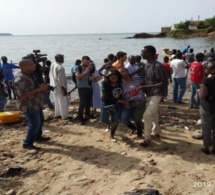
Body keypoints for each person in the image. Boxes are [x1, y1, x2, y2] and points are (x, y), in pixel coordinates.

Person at [13, 59, 50, 150]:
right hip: (29, 105)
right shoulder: (20, 79)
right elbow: (22, 95)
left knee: (40, 121)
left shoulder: (30, 75)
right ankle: (27, 143)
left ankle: (38, 137)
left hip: (36, 103)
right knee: (34, 124)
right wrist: (39, 90)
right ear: (24, 66)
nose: (34, 66)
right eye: (31, 64)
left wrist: (42, 87)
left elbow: (33, 87)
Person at [139, 45, 168, 147]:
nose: (141, 54)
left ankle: (147, 138)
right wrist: (141, 85)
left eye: (143, 52)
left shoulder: (158, 66)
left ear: (150, 54)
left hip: (158, 92)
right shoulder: (147, 64)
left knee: (147, 114)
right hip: (149, 92)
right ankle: (156, 131)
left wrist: (147, 85)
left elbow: (164, 83)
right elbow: (148, 79)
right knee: (154, 112)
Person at [100, 70, 129, 141]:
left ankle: (112, 135)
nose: (114, 80)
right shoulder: (105, 83)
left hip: (117, 104)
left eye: (116, 78)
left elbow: (121, 93)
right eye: (112, 78)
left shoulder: (120, 84)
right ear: (108, 77)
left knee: (115, 120)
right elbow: (108, 96)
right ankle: (108, 124)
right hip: (106, 103)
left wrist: (124, 100)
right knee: (103, 120)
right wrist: (123, 101)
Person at [119, 68, 146, 139]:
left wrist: (141, 88)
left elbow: (147, 82)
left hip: (139, 102)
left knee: (137, 119)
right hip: (128, 103)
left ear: (127, 71)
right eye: (120, 73)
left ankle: (139, 134)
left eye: (123, 71)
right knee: (123, 119)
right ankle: (133, 128)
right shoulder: (120, 84)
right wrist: (125, 102)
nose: (122, 73)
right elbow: (120, 95)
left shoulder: (137, 79)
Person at [199, 60, 215, 155]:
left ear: (213, 70)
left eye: (207, 68)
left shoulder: (207, 80)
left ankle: (206, 148)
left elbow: (202, 96)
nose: (205, 69)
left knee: (206, 128)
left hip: (208, 107)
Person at [49, 54, 69, 120]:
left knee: (57, 101)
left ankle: (57, 114)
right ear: (58, 59)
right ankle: (65, 116)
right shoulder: (60, 67)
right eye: (62, 58)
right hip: (60, 87)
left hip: (53, 86)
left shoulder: (53, 64)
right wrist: (64, 89)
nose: (63, 59)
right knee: (63, 101)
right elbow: (60, 80)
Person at [75, 56, 93, 125]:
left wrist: (93, 78)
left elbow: (91, 76)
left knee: (89, 102)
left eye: (88, 62)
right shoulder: (78, 67)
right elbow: (78, 76)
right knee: (83, 103)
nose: (87, 63)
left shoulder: (89, 67)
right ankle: (80, 118)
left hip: (89, 87)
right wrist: (86, 72)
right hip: (82, 87)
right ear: (82, 61)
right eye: (85, 62)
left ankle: (87, 115)